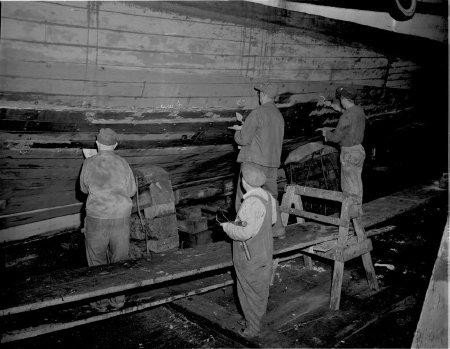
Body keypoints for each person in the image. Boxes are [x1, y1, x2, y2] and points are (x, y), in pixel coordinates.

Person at [80, 128, 137, 312]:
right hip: (121, 217)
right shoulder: (123, 163)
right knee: (119, 259)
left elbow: (83, 189)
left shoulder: (89, 163)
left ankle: (100, 302)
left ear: (97, 144)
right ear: (115, 145)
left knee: (96, 260)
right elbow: (131, 191)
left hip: (97, 217)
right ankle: (118, 300)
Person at [220, 162, 277, 338]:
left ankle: (252, 329)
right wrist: (242, 222)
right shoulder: (268, 197)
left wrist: (227, 227)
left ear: (244, 182)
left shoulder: (250, 203)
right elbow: (272, 220)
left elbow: (245, 233)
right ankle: (255, 320)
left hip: (249, 256)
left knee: (247, 292)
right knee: (260, 291)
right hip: (265, 253)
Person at [229, 82, 285, 239]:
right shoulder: (279, 116)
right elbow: (266, 137)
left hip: (254, 163)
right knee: (271, 197)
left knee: (243, 197)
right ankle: (278, 230)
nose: (259, 95)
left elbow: (243, 139)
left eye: (260, 93)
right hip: (272, 164)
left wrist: (237, 132)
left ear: (263, 95)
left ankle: (242, 232)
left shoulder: (258, 113)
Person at [320, 86, 366, 216]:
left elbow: (336, 138)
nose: (340, 101)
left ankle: (351, 216)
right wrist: (332, 106)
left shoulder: (345, 117)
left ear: (344, 99)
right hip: (359, 150)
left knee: (348, 187)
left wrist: (326, 133)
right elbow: (348, 116)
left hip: (349, 154)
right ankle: (358, 211)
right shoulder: (359, 111)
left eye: (340, 98)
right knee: (357, 183)